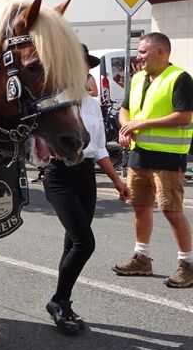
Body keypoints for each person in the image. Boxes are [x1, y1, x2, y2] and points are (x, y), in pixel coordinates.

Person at [43, 45, 130, 334]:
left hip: (86, 177)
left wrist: (118, 181)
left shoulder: (92, 104)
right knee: (85, 243)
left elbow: (100, 149)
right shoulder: (53, 102)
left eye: (85, 66)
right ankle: (58, 301)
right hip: (59, 177)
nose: (83, 71)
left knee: (72, 244)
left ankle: (62, 302)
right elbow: (35, 141)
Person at [113, 32, 193, 288]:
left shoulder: (179, 78)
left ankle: (187, 265)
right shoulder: (137, 78)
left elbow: (184, 115)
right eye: (139, 52)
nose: (139, 56)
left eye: (143, 52)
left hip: (168, 158)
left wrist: (142, 124)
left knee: (171, 211)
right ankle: (142, 258)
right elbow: (124, 109)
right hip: (139, 155)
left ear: (161, 52)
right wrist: (126, 127)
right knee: (140, 207)